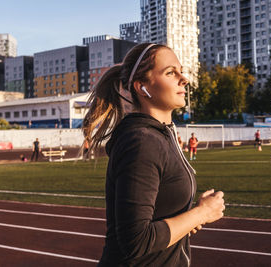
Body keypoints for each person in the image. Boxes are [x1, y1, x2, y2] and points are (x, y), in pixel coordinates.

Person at [82, 43, 225, 266]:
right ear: (142, 87)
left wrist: (189, 219)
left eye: (181, 70)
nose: (183, 79)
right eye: (170, 72)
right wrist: (202, 213)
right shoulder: (142, 142)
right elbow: (136, 241)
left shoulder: (159, 136)